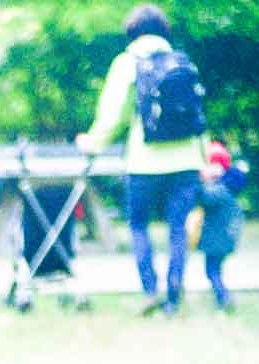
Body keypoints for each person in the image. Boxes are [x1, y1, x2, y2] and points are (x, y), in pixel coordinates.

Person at [76, 4, 207, 315]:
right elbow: (198, 116)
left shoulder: (127, 62)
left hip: (144, 162)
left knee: (138, 224)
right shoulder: (184, 62)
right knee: (178, 228)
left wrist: (92, 142)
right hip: (187, 160)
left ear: (132, 32)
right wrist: (203, 159)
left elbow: (112, 113)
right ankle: (173, 297)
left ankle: (150, 290)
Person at [198, 141, 247, 311]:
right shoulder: (227, 188)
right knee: (215, 270)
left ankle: (224, 297)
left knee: (211, 271)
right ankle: (221, 298)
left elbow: (202, 197)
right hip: (224, 239)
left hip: (217, 241)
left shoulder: (218, 190)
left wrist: (198, 182)